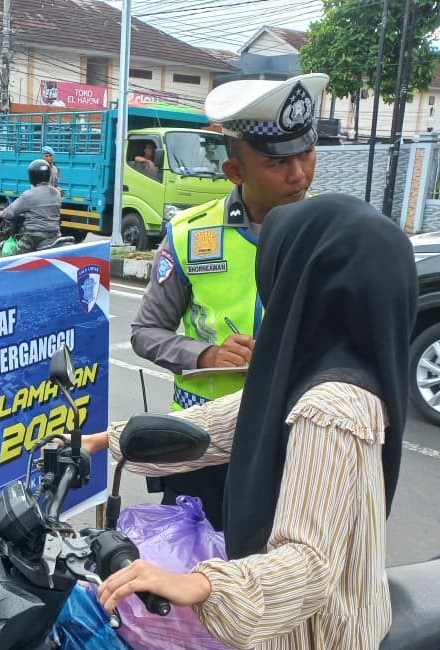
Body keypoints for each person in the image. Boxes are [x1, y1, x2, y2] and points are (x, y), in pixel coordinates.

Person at [89, 193, 418, 650]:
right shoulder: (305, 369)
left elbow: (308, 562)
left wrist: (198, 584)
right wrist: (104, 440)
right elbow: (221, 425)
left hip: (315, 635)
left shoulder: (330, 407)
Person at [129, 73, 329, 527]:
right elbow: (145, 332)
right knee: (193, 563)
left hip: (294, 441)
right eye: (278, 162)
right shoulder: (190, 235)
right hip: (203, 443)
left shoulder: (333, 234)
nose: (299, 174)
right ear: (235, 172)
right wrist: (206, 355)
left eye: (306, 153)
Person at [1, 159, 61, 254]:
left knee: (14, 259)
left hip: (34, 237)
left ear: (32, 176)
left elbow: (10, 212)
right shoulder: (56, 193)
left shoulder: (29, 195)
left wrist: (1, 213)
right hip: (55, 234)